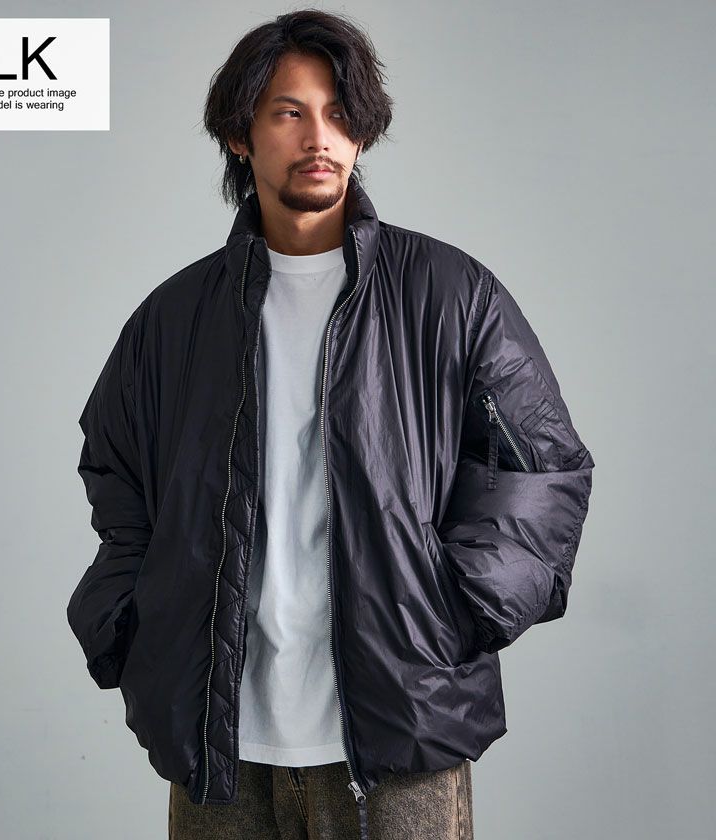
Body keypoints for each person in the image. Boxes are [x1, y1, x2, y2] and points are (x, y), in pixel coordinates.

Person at [66, 9, 595, 840]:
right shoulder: (174, 320)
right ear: (240, 135)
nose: (320, 137)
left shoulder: (449, 294)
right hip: (220, 746)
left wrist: (452, 609)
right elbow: (117, 477)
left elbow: (544, 467)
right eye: (289, 112)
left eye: (339, 113)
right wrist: (134, 623)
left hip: (399, 738)